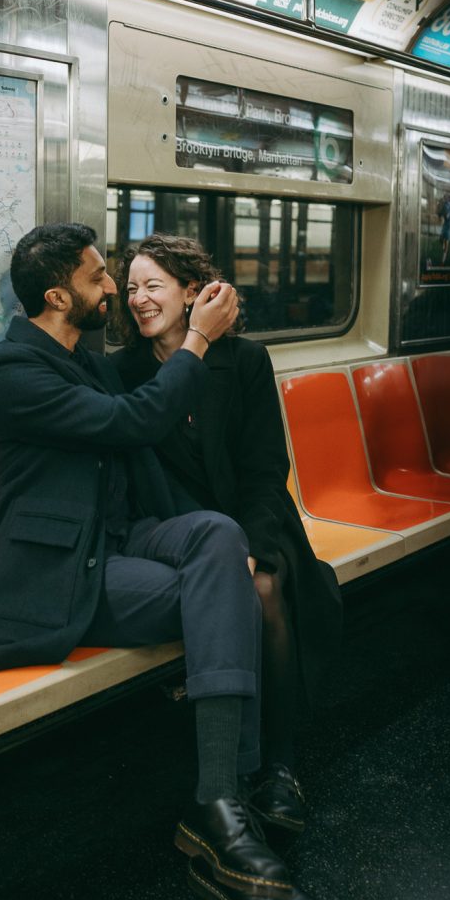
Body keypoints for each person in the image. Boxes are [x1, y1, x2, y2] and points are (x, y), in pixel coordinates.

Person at [0, 223, 303, 900]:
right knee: (229, 595)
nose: (115, 292)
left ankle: (220, 801)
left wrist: (224, 543)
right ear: (59, 296)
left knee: (218, 537)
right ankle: (224, 799)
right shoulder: (14, 370)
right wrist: (198, 340)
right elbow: (130, 426)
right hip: (61, 572)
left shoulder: (84, 362)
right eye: (101, 279)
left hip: (119, 541)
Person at [111, 233, 342, 840]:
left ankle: (279, 765)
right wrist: (214, 545)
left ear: (193, 293)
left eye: (153, 286)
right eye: (131, 288)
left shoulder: (245, 363)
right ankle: (234, 772)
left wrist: (251, 545)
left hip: (257, 516)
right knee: (230, 586)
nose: (138, 300)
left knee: (265, 588)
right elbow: (143, 475)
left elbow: (266, 470)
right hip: (178, 529)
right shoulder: (123, 372)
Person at [437, 195, 450, 265]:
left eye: (446, 198)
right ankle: (443, 244)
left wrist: (449, 215)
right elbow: (440, 214)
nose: (445, 199)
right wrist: (440, 216)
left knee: (446, 244)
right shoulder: (443, 206)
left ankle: (443, 261)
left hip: (448, 227)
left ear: (448, 199)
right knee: (441, 240)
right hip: (445, 226)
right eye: (444, 198)